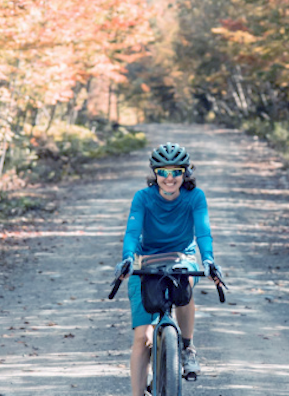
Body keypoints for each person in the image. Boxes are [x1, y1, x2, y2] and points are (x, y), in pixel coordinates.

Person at [115, 142, 223, 396]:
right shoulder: (143, 197)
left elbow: (203, 232)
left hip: (181, 257)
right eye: (163, 172)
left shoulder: (195, 197)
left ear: (186, 173)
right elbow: (132, 232)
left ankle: (187, 347)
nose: (170, 178)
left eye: (176, 171)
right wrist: (127, 258)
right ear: (155, 173)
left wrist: (208, 260)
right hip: (146, 260)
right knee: (142, 337)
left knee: (184, 284)